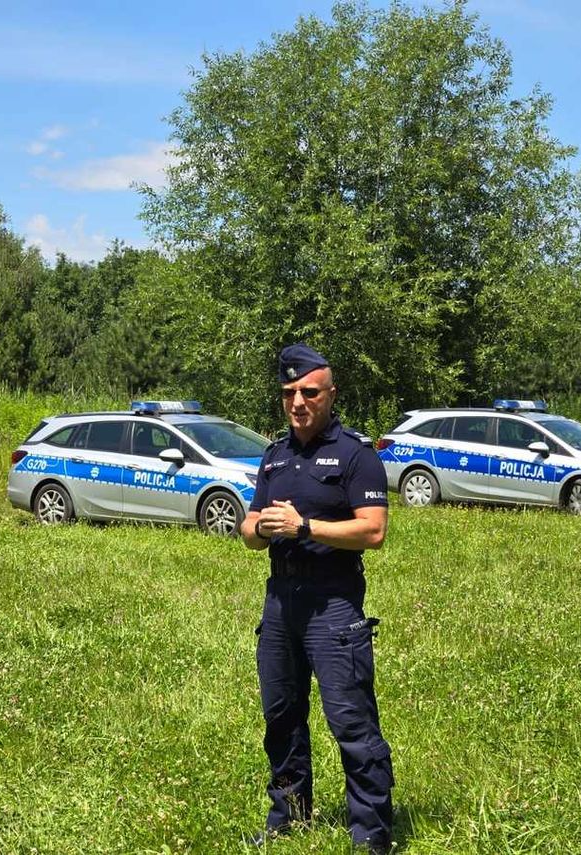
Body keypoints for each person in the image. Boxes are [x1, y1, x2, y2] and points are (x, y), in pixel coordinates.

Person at [240, 343, 394, 854]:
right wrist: (262, 526)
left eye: (309, 392)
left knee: (350, 722)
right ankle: (290, 818)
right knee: (281, 716)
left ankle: (370, 833)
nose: (298, 402)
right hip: (280, 603)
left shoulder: (357, 455)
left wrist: (305, 525)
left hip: (333, 605)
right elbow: (247, 524)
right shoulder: (274, 456)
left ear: (330, 394)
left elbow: (372, 531)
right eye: (289, 393)